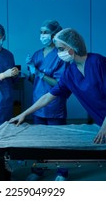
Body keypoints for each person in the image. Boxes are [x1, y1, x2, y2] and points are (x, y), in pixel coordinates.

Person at [10, 28, 106, 181]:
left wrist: (105, 126)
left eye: (60, 49)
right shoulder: (70, 73)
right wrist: (24, 114)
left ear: (71, 49)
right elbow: (48, 96)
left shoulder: (99, 62)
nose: (58, 53)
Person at [25, 20, 68, 181]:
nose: (43, 35)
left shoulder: (61, 55)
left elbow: (60, 84)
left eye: (46, 32)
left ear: (55, 34)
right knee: (39, 140)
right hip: (38, 102)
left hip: (54, 103)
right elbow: (33, 81)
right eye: (41, 32)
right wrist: (30, 70)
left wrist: (40, 73)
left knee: (57, 140)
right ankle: (38, 170)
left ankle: (62, 172)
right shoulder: (37, 54)